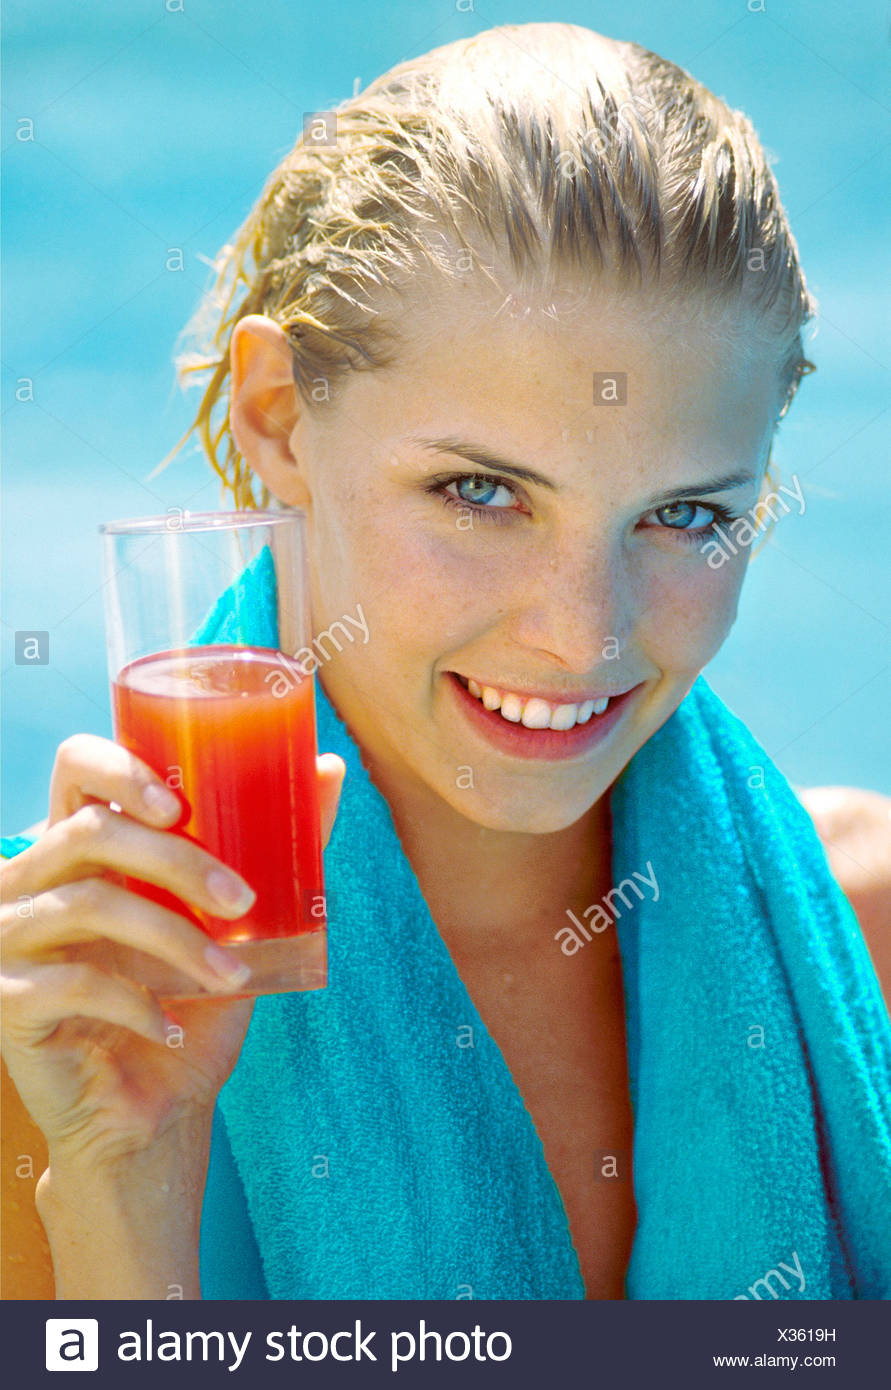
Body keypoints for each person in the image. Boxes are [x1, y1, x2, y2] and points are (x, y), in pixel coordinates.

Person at [2, 22, 889, 1302]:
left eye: (685, 514)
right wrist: (122, 1173)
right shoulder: (54, 1018)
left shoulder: (866, 933)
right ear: (277, 418)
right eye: (480, 491)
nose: (582, 632)